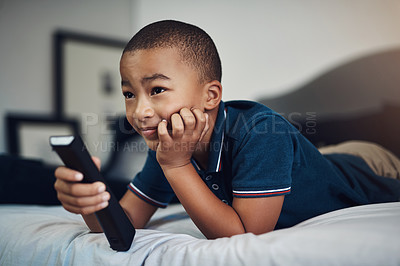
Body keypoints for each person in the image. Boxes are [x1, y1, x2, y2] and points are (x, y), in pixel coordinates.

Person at [54, 20, 400, 239]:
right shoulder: (168, 144)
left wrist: (177, 166)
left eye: (156, 90)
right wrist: (91, 204)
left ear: (211, 96)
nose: (139, 111)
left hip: (366, 162)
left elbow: (244, 233)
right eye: (129, 94)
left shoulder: (263, 132)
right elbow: (128, 221)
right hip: (317, 160)